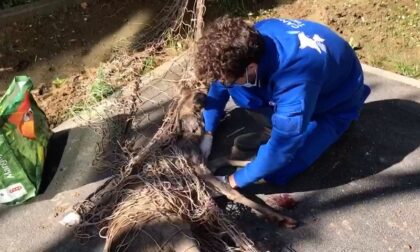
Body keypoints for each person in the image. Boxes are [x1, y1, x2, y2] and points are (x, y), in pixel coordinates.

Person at [194, 17, 371, 188]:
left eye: (226, 80)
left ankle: (324, 123)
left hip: (336, 101)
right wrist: (208, 132)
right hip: (311, 83)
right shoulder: (249, 41)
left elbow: (282, 148)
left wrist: (231, 181)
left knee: (279, 170)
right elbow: (219, 86)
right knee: (240, 90)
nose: (223, 83)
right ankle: (276, 127)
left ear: (252, 68)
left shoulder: (295, 78)